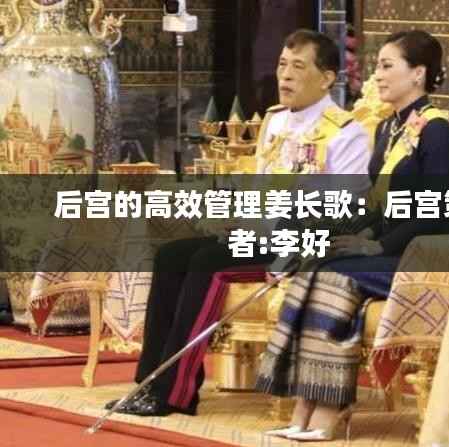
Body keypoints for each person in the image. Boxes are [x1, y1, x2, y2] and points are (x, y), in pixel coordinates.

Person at [104, 29, 371, 417]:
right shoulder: (275, 121)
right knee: (171, 255)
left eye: (298, 67)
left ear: (327, 77)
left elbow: (343, 207)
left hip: (301, 243)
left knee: (207, 263)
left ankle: (173, 393)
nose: (286, 75)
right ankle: (146, 384)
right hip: (260, 234)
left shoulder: (346, 133)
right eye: (282, 65)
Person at [257, 29, 449, 441]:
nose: (377, 76)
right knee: (317, 264)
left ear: (418, 73)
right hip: (386, 248)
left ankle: (329, 407)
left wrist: (376, 245)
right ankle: (303, 405)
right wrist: (353, 236)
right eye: (377, 67)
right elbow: (376, 207)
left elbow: (438, 210)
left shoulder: (438, 131)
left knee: (334, 277)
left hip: (422, 254)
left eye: (387, 66)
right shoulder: (388, 129)